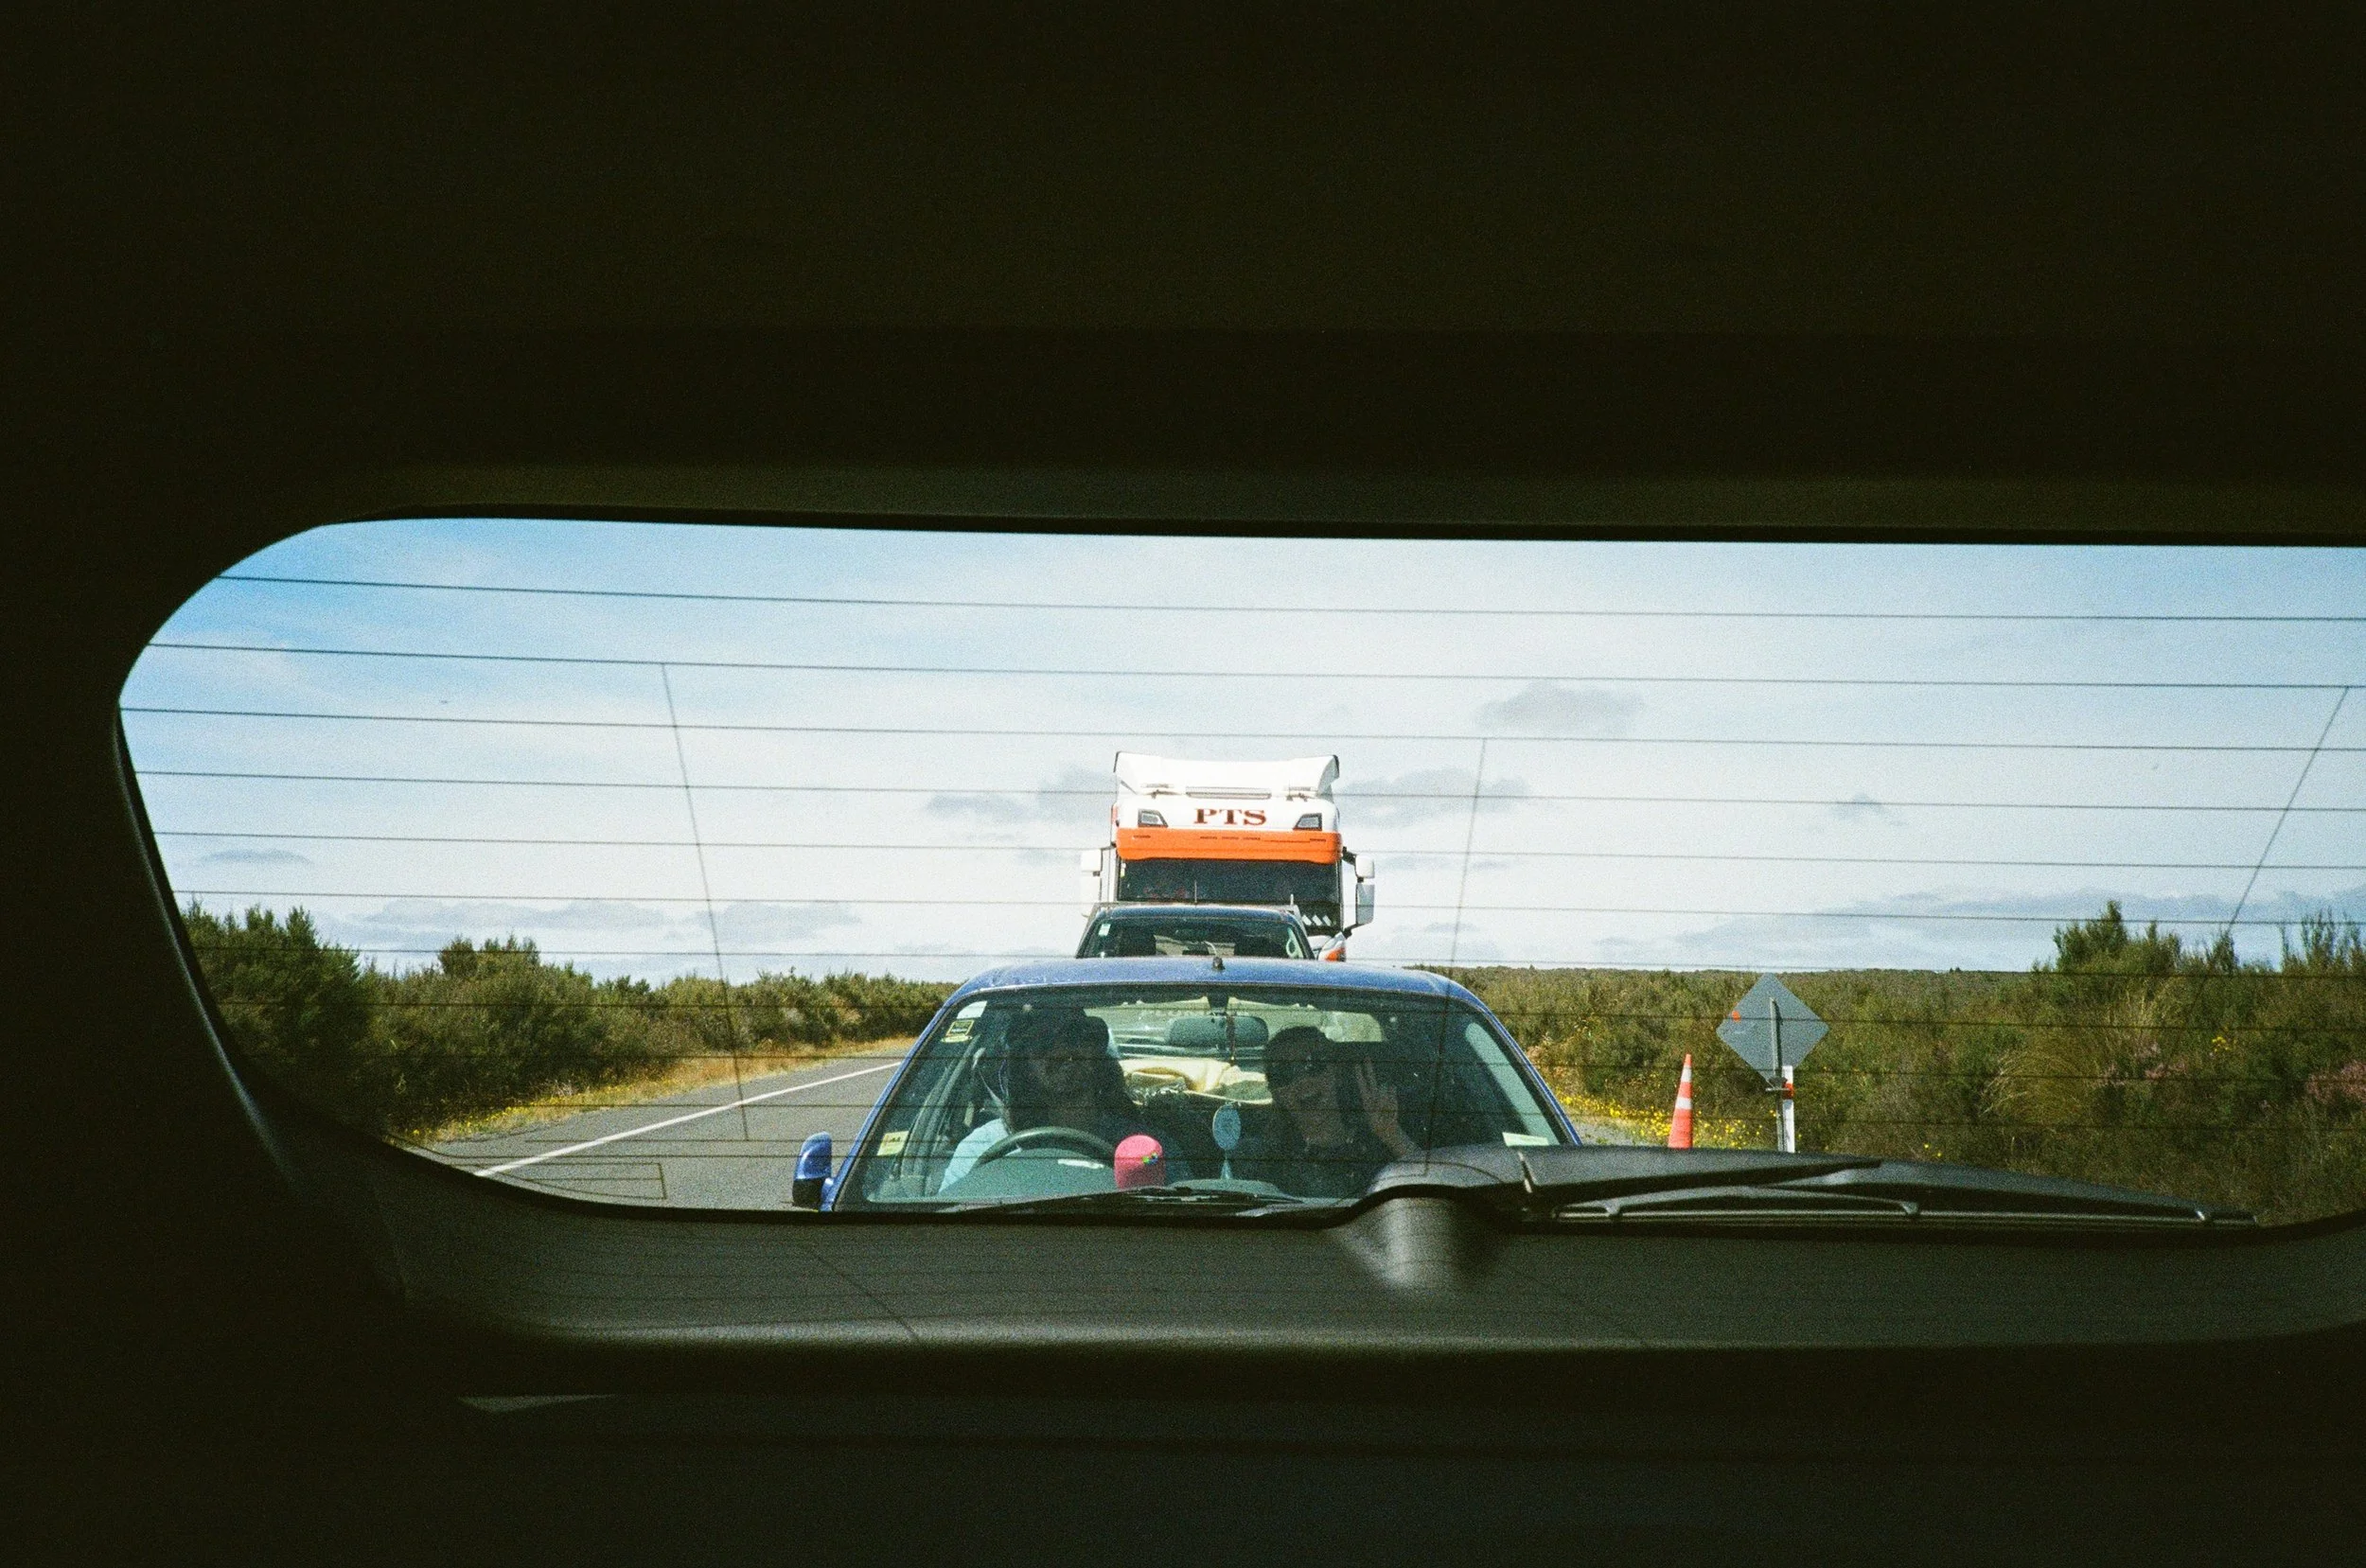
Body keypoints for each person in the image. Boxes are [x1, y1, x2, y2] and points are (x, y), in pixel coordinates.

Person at [939, 1009, 1153, 1189]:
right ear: (1025, 1068)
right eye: (1044, 1042)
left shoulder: (1143, 1146)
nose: (1062, 1051)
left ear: (1097, 1056)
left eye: (1075, 1036)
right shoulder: (982, 1146)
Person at [1238, 1025, 1421, 1199]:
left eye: (1313, 1064)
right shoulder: (1265, 1160)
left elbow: (1428, 1189)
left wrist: (1392, 1135)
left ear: (1336, 1072)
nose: (1302, 1080)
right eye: (1283, 1073)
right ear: (1274, 1091)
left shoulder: (1376, 1143)